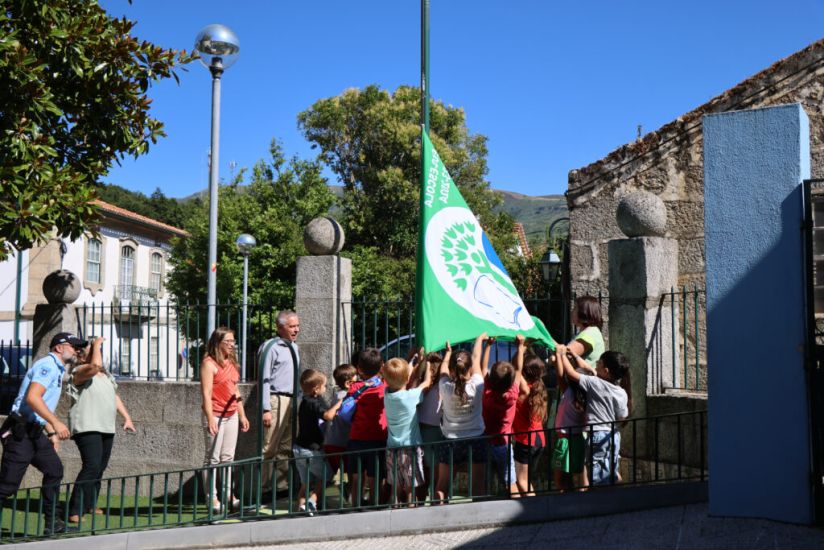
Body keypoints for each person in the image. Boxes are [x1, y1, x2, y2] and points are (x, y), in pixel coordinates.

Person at [0, 332, 80, 535]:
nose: (77, 350)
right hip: (20, 432)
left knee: (54, 469)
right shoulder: (47, 366)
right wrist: (56, 423)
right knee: (7, 486)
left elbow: (41, 407)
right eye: (73, 346)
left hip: (35, 431)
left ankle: (53, 523)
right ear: (59, 348)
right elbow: (33, 399)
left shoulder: (57, 368)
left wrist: (51, 433)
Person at [65, 336, 136, 523]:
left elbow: (114, 396)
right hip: (87, 426)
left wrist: (127, 417)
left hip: (106, 426)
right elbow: (94, 366)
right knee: (91, 466)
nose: (98, 353)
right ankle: (75, 510)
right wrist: (94, 344)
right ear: (81, 357)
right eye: (94, 351)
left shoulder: (106, 376)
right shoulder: (79, 372)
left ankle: (89, 504)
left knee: (100, 468)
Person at [559, 346, 630, 486]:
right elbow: (622, 417)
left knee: (596, 475)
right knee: (611, 470)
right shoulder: (621, 392)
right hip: (613, 435)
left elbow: (571, 373)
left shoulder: (594, 383)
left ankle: (599, 503)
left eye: (599, 363)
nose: (595, 364)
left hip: (597, 433)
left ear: (606, 371)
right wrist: (575, 356)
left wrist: (561, 354)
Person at [200, 327, 250, 513]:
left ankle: (228, 494)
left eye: (233, 341)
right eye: (227, 341)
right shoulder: (209, 363)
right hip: (216, 413)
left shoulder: (232, 363)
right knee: (212, 458)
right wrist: (210, 417)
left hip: (231, 414)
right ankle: (211, 498)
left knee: (227, 457)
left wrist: (242, 414)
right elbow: (206, 393)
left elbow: (235, 391)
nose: (231, 345)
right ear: (217, 343)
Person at [435, 334, 486, 502]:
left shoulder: (445, 387)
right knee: (478, 486)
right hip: (476, 437)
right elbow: (477, 358)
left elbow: (442, 371)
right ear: (470, 368)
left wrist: (447, 353)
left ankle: (439, 517)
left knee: (442, 485)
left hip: (450, 439)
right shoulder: (477, 385)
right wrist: (479, 340)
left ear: (452, 369)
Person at [258, 310, 300, 497]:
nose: (296, 330)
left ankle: (281, 485)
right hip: (276, 399)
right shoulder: (271, 347)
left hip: (291, 399)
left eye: (297, 326)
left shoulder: (293, 347)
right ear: (280, 327)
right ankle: (264, 488)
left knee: (286, 446)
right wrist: (266, 408)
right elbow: (264, 379)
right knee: (269, 446)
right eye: (292, 326)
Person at [383, 349, 432, 505]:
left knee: (396, 486)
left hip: (392, 447)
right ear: (407, 378)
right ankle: (411, 509)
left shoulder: (387, 394)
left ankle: (395, 508)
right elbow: (426, 384)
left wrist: (410, 357)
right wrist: (428, 365)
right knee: (411, 487)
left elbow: (397, 376)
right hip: (410, 448)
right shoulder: (409, 397)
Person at [481, 335, 526, 497]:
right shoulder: (513, 394)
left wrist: (488, 346)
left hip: (485, 442)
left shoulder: (487, 394)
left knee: (483, 485)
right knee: (510, 483)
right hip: (503, 444)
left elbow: (483, 367)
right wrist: (520, 347)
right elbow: (519, 369)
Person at [293, 369, 341, 515]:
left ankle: (300, 511)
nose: (325, 389)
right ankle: (312, 502)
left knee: (305, 484)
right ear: (316, 388)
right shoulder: (313, 402)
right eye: (324, 386)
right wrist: (337, 405)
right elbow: (327, 416)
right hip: (311, 450)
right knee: (327, 475)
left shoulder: (304, 401)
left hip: (298, 448)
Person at [345, 347, 387, 506]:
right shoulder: (384, 386)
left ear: (358, 368)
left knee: (356, 477)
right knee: (375, 477)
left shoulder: (355, 388)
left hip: (357, 437)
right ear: (381, 365)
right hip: (378, 437)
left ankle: (356, 505)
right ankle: (375, 504)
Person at [551, 344, 593, 491]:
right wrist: (573, 356)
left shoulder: (569, 393)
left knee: (561, 476)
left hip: (564, 437)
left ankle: (564, 499)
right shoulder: (586, 396)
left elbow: (561, 375)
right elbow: (589, 372)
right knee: (577, 472)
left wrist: (560, 354)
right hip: (577, 437)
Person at [512, 353, 547, 496]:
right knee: (526, 480)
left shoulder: (525, 391)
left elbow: (516, 367)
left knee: (522, 481)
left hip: (526, 441)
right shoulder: (540, 387)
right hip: (539, 440)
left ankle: (533, 510)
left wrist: (521, 347)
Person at [417, 351, 445, 500]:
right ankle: (435, 498)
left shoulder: (420, 385)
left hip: (420, 427)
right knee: (434, 468)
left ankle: (421, 499)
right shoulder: (442, 384)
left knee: (423, 467)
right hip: (434, 429)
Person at [323, 363, 357, 484]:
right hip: (340, 443)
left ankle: (316, 498)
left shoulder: (337, 395)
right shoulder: (345, 396)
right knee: (351, 473)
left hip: (332, 441)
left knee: (330, 475)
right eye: (356, 378)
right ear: (348, 383)